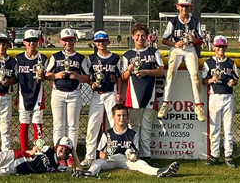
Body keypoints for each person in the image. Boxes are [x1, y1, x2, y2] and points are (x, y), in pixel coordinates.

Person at [73, 104, 180, 178]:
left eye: (124, 115)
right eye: (119, 115)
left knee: (141, 163)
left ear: (128, 118)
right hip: (111, 160)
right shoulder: (107, 134)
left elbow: (135, 154)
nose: (121, 118)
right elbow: (101, 153)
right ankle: (88, 173)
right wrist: (103, 156)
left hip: (126, 160)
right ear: (113, 117)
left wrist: (132, 156)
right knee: (97, 163)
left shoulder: (132, 134)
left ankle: (159, 171)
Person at [45, 28, 90, 167]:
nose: (68, 43)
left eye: (70, 39)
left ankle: (71, 154)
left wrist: (77, 76)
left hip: (74, 93)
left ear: (74, 40)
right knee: (58, 125)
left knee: (73, 126)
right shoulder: (55, 56)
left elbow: (87, 77)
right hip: (58, 92)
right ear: (60, 41)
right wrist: (56, 76)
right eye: (65, 40)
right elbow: (47, 74)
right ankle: (58, 154)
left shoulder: (80, 58)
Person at [121, 23, 164, 165]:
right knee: (134, 125)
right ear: (133, 37)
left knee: (146, 126)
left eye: (143, 36)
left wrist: (147, 72)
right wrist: (130, 68)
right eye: (137, 35)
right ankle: (134, 153)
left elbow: (160, 71)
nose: (140, 38)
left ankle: (146, 156)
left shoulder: (153, 52)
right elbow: (124, 77)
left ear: (147, 37)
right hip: (134, 94)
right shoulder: (128, 55)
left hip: (149, 93)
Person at [157, 0, 206, 122]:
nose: (184, 9)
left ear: (190, 8)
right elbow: (163, 40)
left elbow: (201, 41)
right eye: (182, 6)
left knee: (195, 75)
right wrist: (175, 44)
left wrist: (195, 40)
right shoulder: (173, 22)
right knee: (171, 73)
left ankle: (198, 105)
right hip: (177, 48)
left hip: (190, 49)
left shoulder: (195, 21)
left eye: (187, 6)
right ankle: (165, 103)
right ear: (178, 7)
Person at [81, 31, 123, 167]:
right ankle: (89, 156)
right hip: (96, 94)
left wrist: (119, 92)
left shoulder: (115, 58)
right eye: (98, 41)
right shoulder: (90, 59)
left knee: (114, 123)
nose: (101, 43)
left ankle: (116, 153)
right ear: (94, 43)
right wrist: (90, 83)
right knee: (93, 124)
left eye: (103, 41)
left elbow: (118, 77)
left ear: (108, 42)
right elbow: (87, 76)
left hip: (111, 92)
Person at [201, 36, 239, 168]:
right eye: (218, 46)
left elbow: (236, 79)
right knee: (214, 128)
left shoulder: (231, 63)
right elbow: (203, 81)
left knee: (228, 128)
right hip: (214, 96)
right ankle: (214, 155)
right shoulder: (208, 63)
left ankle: (228, 155)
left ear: (226, 47)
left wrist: (233, 82)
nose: (220, 48)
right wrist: (211, 80)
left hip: (228, 96)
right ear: (213, 47)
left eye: (222, 46)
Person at [14, 29, 48, 152]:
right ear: (24, 42)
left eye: (34, 40)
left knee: (37, 122)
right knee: (24, 123)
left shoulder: (43, 58)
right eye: (29, 41)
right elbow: (15, 77)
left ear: (38, 41)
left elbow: (46, 78)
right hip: (23, 94)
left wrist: (41, 74)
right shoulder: (18, 58)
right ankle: (24, 152)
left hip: (38, 94)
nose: (31, 43)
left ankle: (37, 150)